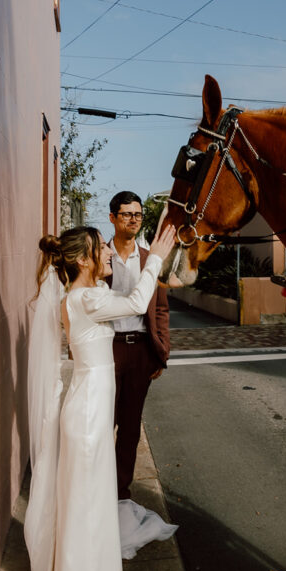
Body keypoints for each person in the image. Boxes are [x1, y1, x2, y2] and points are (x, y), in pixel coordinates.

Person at [24, 221, 177, 571]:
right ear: (81, 259)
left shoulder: (86, 296)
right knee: (87, 503)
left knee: (89, 500)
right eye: (101, 249)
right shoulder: (86, 299)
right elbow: (137, 303)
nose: (109, 253)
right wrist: (155, 257)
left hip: (86, 406)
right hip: (88, 414)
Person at [108, 192, 171, 500]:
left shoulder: (148, 259)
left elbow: (160, 308)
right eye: (126, 214)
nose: (133, 219)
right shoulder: (99, 257)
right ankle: (98, 488)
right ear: (112, 218)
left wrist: (161, 352)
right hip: (107, 350)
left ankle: (120, 491)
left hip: (141, 349)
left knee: (131, 428)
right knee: (103, 423)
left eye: (137, 215)